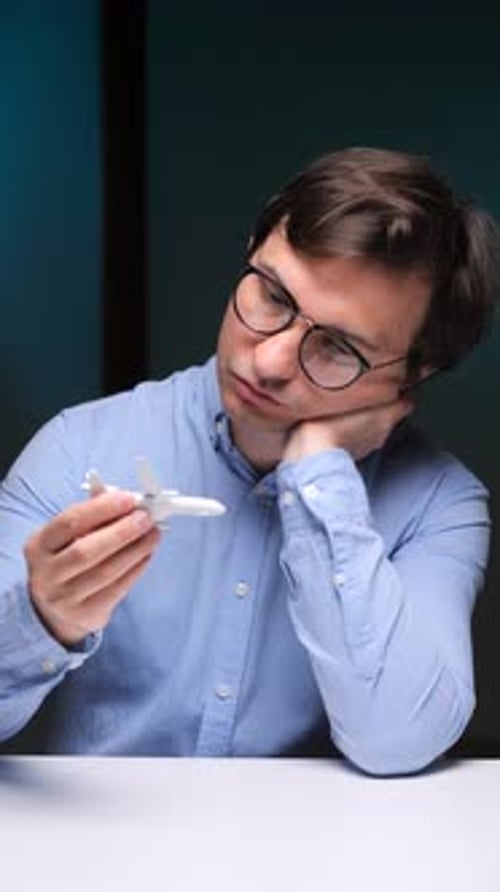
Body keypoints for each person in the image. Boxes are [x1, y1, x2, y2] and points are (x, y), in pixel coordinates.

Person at [0, 147, 498, 775]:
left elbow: (397, 742)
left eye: (338, 348)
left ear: (413, 374)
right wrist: (42, 619)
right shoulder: (81, 445)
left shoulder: (439, 505)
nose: (268, 361)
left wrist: (317, 469)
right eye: (271, 295)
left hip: (317, 866)